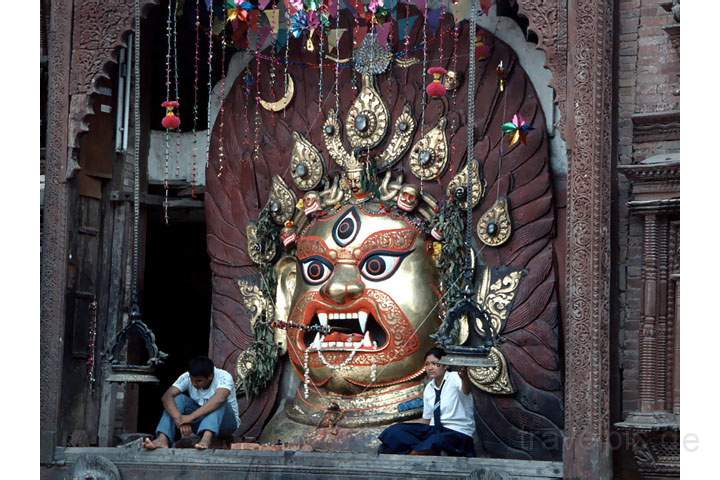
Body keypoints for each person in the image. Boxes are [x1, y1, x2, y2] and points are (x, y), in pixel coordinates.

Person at [377, 347, 476, 456]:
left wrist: (465, 378)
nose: (430, 368)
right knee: (394, 431)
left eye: (434, 363)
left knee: (435, 440)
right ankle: (426, 450)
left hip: (457, 432)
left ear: (445, 365)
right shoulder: (429, 388)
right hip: (433, 430)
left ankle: (419, 452)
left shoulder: (456, 378)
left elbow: (466, 391)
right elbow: (427, 420)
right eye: (427, 364)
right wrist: (402, 424)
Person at [143, 356, 240, 450]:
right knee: (178, 398)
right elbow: (167, 397)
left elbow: (220, 398)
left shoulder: (224, 376)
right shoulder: (187, 377)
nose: (194, 384)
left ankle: (206, 440)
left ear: (210, 376)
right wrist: (179, 419)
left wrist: (190, 418)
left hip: (226, 424)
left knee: (219, 401)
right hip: (199, 421)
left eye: (199, 381)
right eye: (192, 380)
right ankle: (162, 439)